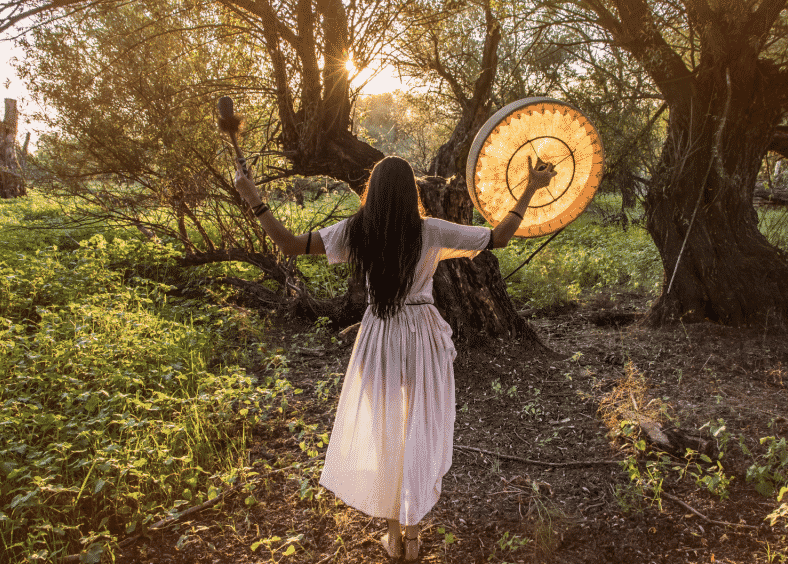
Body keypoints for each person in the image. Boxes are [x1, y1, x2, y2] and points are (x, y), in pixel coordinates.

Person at [233, 155, 556, 560]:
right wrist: (529, 188)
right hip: (421, 335)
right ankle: (415, 535)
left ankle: (394, 535)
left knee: (387, 431)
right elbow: (499, 237)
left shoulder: (356, 231)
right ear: (412, 194)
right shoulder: (431, 232)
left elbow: (289, 244)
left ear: (373, 192)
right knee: (418, 428)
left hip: (381, 335)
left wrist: (254, 199)